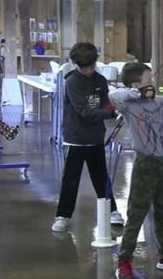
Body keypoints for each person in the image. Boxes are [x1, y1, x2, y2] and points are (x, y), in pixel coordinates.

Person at [108, 63, 163, 279]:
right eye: (148, 80)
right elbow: (112, 96)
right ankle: (125, 261)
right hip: (145, 164)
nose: (153, 83)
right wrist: (136, 93)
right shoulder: (129, 105)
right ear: (136, 85)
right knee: (136, 214)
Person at [52, 42, 124, 233]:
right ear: (76, 65)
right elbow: (84, 111)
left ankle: (112, 211)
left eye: (91, 66)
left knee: (101, 177)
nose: (89, 70)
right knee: (71, 179)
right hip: (75, 137)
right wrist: (110, 114)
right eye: (84, 67)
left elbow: (106, 103)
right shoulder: (72, 82)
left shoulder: (100, 80)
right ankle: (63, 215)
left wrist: (115, 108)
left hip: (95, 136)